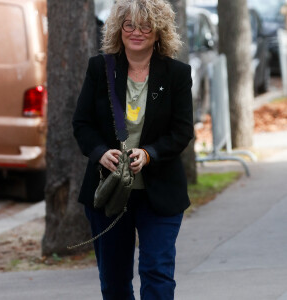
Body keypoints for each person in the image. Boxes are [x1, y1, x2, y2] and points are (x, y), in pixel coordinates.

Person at [72, 0, 194, 299]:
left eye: (145, 25)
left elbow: (182, 131)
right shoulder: (100, 68)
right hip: (109, 193)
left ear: (158, 31)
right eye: (129, 24)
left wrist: (149, 153)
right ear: (119, 28)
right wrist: (100, 152)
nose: (136, 32)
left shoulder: (176, 74)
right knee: (114, 281)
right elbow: (81, 123)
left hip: (160, 193)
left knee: (157, 273)